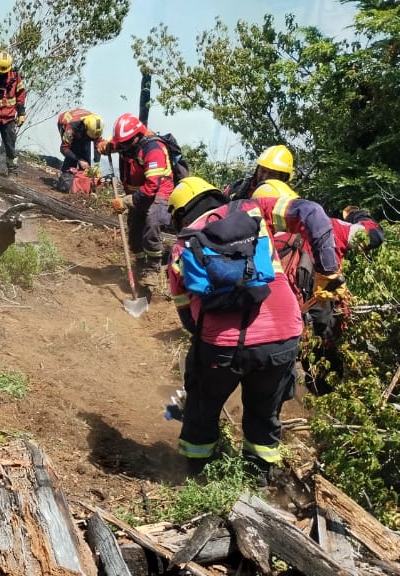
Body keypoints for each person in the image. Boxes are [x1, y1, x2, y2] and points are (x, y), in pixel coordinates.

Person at [165, 177, 341, 475]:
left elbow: (189, 320)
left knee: (202, 408)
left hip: (220, 345)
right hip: (283, 336)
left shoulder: (180, 250)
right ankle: (259, 478)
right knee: (264, 413)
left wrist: (212, 351)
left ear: (180, 213)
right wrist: (328, 270)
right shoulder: (255, 209)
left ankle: (196, 474)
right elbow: (312, 212)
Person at [248, 182, 384, 391]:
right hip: (325, 327)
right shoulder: (329, 226)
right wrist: (358, 216)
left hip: (275, 331)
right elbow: (373, 235)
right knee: (327, 383)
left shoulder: (250, 241)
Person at [103, 113, 175, 291]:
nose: (122, 148)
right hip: (139, 191)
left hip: (160, 191)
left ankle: (152, 267)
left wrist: (126, 201)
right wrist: (104, 146)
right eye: (121, 144)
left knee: (151, 222)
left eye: (126, 144)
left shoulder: (153, 149)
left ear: (137, 136)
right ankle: (140, 262)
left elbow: (151, 187)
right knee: (134, 227)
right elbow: (113, 144)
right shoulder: (126, 142)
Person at [54, 108, 105, 192]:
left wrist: (96, 165)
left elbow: (98, 146)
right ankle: (65, 181)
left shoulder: (96, 127)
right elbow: (64, 148)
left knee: (86, 159)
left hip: (83, 130)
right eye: (90, 137)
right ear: (85, 128)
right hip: (64, 123)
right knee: (73, 151)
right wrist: (79, 160)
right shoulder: (71, 128)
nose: (90, 139)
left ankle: (83, 183)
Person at [224, 145, 295, 200]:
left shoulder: (289, 204)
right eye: (263, 171)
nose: (265, 177)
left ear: (283, 178)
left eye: (271, 174)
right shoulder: (236, 189)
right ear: (257, 169)